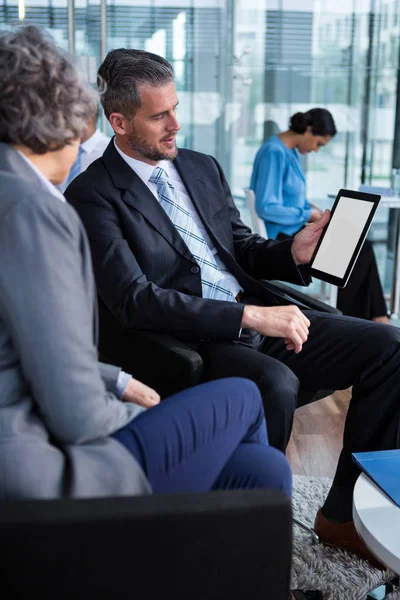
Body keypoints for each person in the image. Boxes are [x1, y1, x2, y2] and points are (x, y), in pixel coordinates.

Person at [65, 47, 400, 569]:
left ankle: (339, 516)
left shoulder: (199, 166)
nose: (176, 124)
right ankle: (246, 538)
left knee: (390, 347)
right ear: (119, 121)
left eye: (176, 108)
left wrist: (291, 251)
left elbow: (239, 247)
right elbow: (133, 299)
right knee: (274, 382)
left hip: (257, 311)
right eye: (160, 116)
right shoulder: (93, 195)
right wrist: (249, 317)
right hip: (194, 337)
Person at [0, 25, 294, 507]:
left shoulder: (16, 193)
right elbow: (76, 415)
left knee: (263, 468)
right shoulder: (35, 208)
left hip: (36, 430)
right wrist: (145, 425)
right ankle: (159, 540)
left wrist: (113, 379)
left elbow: (21, 345)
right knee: (243, 398)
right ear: (67, 120)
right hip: (41, 466)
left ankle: (232, 552)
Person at [250, 108, 389, 323]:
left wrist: (310, 208)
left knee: (362, 246)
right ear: (308, 129)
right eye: (319, 144)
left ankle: (376, 317)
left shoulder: (289, 152)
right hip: (282, 237)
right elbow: (267, 206)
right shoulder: (274, 152)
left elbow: (288, 197)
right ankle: (357, 322)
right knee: (356, 251)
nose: (316, 150)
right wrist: (308, 213)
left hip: (294, 229)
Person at [58, 103, 111, 192]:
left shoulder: (109, 152)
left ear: (87, 119)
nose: (62, 122)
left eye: (67, 117)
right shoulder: (57, 149)